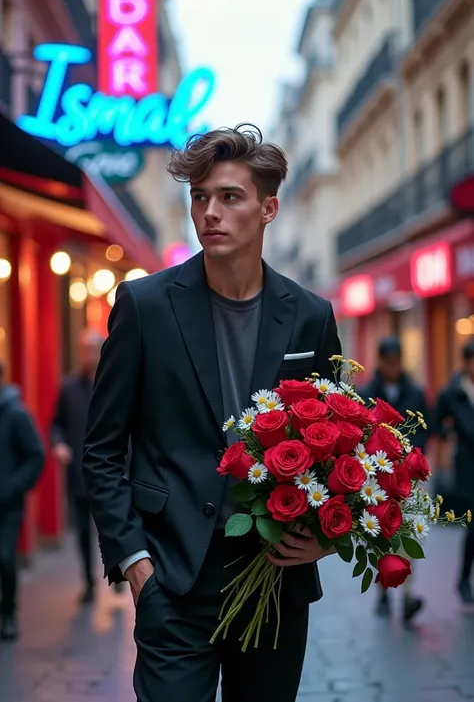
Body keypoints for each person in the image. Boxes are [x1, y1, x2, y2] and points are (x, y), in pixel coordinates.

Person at [83, 124, 341, 702]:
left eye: (229, 196)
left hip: (274, 578)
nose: (210, 212)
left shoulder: (309, 315)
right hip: (172, 577)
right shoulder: (144, 306)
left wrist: (323, 539)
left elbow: (341, 444)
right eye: (200, 197)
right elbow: (102, 448)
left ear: (269, 208)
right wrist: (135, 564)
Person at [358, 337, 430, 622]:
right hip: (376, 478)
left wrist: (411, 460)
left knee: (409, 534)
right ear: (380, 361)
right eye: (387, 361)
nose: (392, 366)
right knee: (379, 536)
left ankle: (409, 594)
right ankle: (384, 592)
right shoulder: (368, 393)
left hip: (408, 477)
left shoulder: (415, 392)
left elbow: (426, 429)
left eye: (395, 361)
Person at [51, 329, 124, 604]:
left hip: (113, 471)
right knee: (82, 531)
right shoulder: (68, 388)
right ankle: (89, 583)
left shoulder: (114, 384)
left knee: (111, 526)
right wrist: (58, 444)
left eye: (92, 349)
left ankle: (118, 573)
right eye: (83, 350)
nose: (87, 355)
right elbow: (56, 424)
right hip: (79, 473)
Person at [0, 362, 44, 640]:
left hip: (8, 506)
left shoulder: (16, 414)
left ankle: (8, 615)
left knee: (5, 558)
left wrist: (13, 487)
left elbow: (36, 455)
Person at [434, 340, 474, 605]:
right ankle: (463, 578)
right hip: (467, 465)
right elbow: (437, 423)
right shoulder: (453, 391)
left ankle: (463, 578)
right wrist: (450, 436)